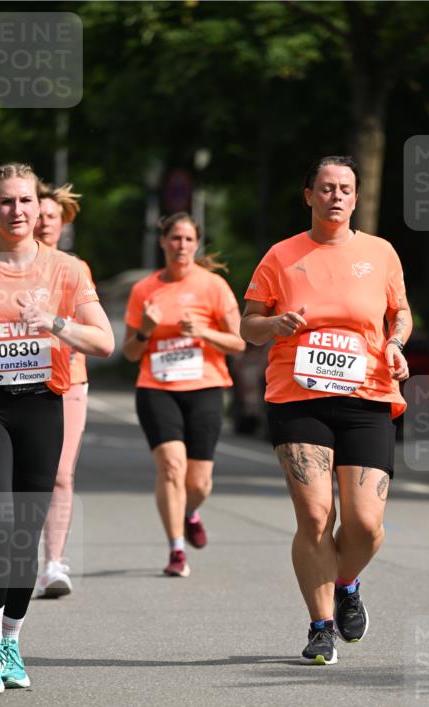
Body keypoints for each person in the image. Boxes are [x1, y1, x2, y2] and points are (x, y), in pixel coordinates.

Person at [0, 163, 114, 694]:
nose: (17, 210)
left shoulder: (67, 270)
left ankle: (12, 640)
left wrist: (54, 323)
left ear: (39, 208)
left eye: (26, 201)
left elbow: (103, 342)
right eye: (6, 202)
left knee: (24, 534)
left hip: (41, 406)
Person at [241, 155, 411, 665]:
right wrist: (275, 325)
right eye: (327, 187)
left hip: (367, 396)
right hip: (299, 396)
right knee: (316, 515)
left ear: (356, 198)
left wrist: (396, 343)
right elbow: (249, 324)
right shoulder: (281, 256)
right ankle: (320, 628)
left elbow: (400, 312)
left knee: (365, 524)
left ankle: (346, 584)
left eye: (345, 189)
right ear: (309, 196)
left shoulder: (380, 253)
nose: (336, 196)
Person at [123, 212, 244, 578]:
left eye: (189, 239)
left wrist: (203, 332)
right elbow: (130, 352)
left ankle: (191, 511)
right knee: (172, 467)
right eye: (175, 238)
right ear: (163, 241)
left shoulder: (213, 286)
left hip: (205, 386)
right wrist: (145, 330)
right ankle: (176, 549)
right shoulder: (144, 290)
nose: (182, 245)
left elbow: (238, 342)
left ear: (197, 243)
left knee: (199, 483)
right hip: (157, 388)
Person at [33, 182, 92, 598]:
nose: (43, 223)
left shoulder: (75, 268)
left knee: (60, 474)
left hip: (69, 378)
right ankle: (17, 554)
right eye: (38, 215)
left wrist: (63, 329)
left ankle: (54, 563)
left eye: (51, 216)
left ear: (62, 223)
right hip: (18, 379)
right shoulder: (7, 266)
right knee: (23, 476)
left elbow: (92, 327)